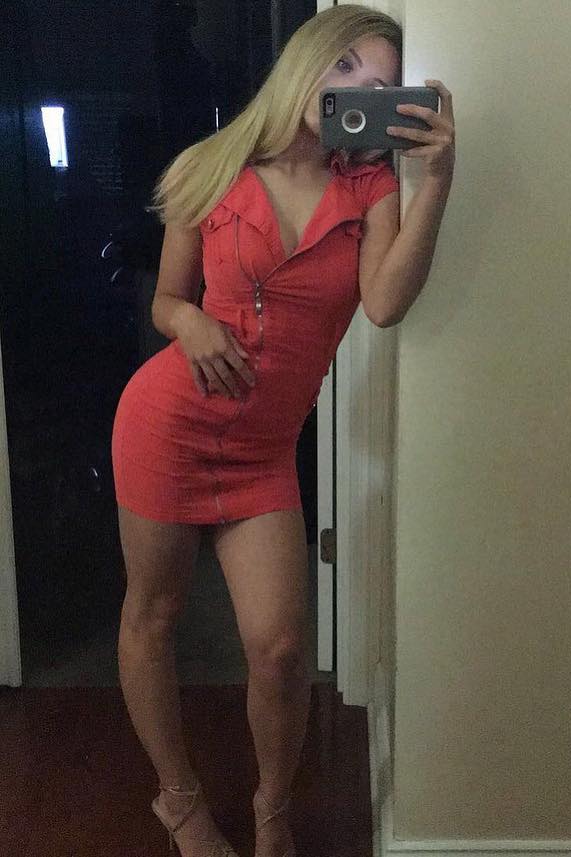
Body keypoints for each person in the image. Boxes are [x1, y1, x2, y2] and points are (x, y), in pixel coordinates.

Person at [110, 5, 455, 856]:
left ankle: (273, 808)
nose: (355, 91)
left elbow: (384, 303)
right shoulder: (209, 168)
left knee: (281, 648)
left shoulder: (371, 191)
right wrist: (191, 323)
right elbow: (165, 300)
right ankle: (178, 800)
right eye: (345, 68)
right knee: (154, 614)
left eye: (378, 85)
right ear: (306, 62)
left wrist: (438, 181)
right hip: (166, 427)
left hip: (262, 452)